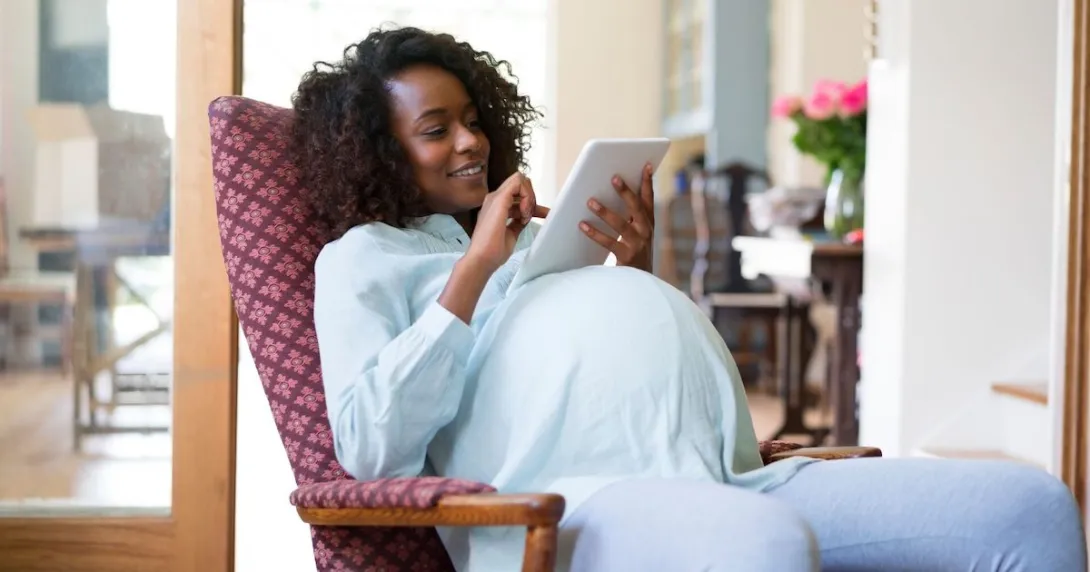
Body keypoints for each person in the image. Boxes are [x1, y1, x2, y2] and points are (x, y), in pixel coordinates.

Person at [295, 26, 1086, 572]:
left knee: (1030, 508)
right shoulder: (362, 260)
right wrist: (472, 271)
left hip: (729, 473)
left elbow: (608, 349)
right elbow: (371, 446)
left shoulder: (525, 235)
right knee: (760, 545)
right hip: (579, 501)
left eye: (472, 121)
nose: (471, 141)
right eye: (437, 129)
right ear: (380, 150)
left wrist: (635, 267)